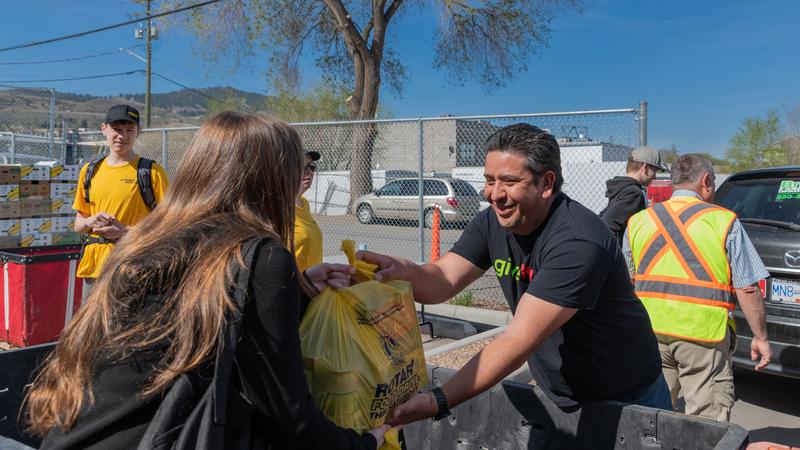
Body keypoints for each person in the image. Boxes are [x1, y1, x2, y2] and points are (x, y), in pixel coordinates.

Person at [26, 112, 390, 449]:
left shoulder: (148, 237)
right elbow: (286, 414)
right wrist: (365, 442)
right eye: (296, 169)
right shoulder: (259, 252)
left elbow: (205, 315)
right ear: (271, 178)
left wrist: (300, 289)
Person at [359, 124, 670, 440]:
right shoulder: (492, 222)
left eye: (509, 181)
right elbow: (443, 278)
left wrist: (438, 400)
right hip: (558, 393)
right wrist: (402, 271)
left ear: (545, 183)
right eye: (489, 180)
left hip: (626, 398)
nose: (495, 194)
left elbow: (517, 340)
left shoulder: (578, 241)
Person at [623, 153, 772, 422]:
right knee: (705, 422)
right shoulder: (724, 221)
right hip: (703, 336)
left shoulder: (639, 221)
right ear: (706, 181)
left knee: (653, 419)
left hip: (649, 333)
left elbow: (628, 281)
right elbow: (747, 289)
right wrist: (760, 338)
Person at [72, 104, 169, 298]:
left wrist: (124, 232)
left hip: (133, 268)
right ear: (104, 129)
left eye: (129, 130)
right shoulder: (89, 171)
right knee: (92, 328)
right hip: (94, 270)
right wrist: (89, 221)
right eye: (117, 129)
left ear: (138, 132)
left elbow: (169, 226)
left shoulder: (152, 173)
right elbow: (78, 226)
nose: (122, 136)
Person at [599, 145, 668, 242]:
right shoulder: (634, 193)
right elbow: (607, 225)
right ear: (645, 167)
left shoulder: (621, 188)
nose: (655, 177)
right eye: (655, 171)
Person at [294, 150, 324, 272]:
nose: (309, 172)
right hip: (294, 287)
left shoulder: (304, 203)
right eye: (303, 167)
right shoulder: (278, 208)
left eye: (312, 167)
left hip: (314, 285)